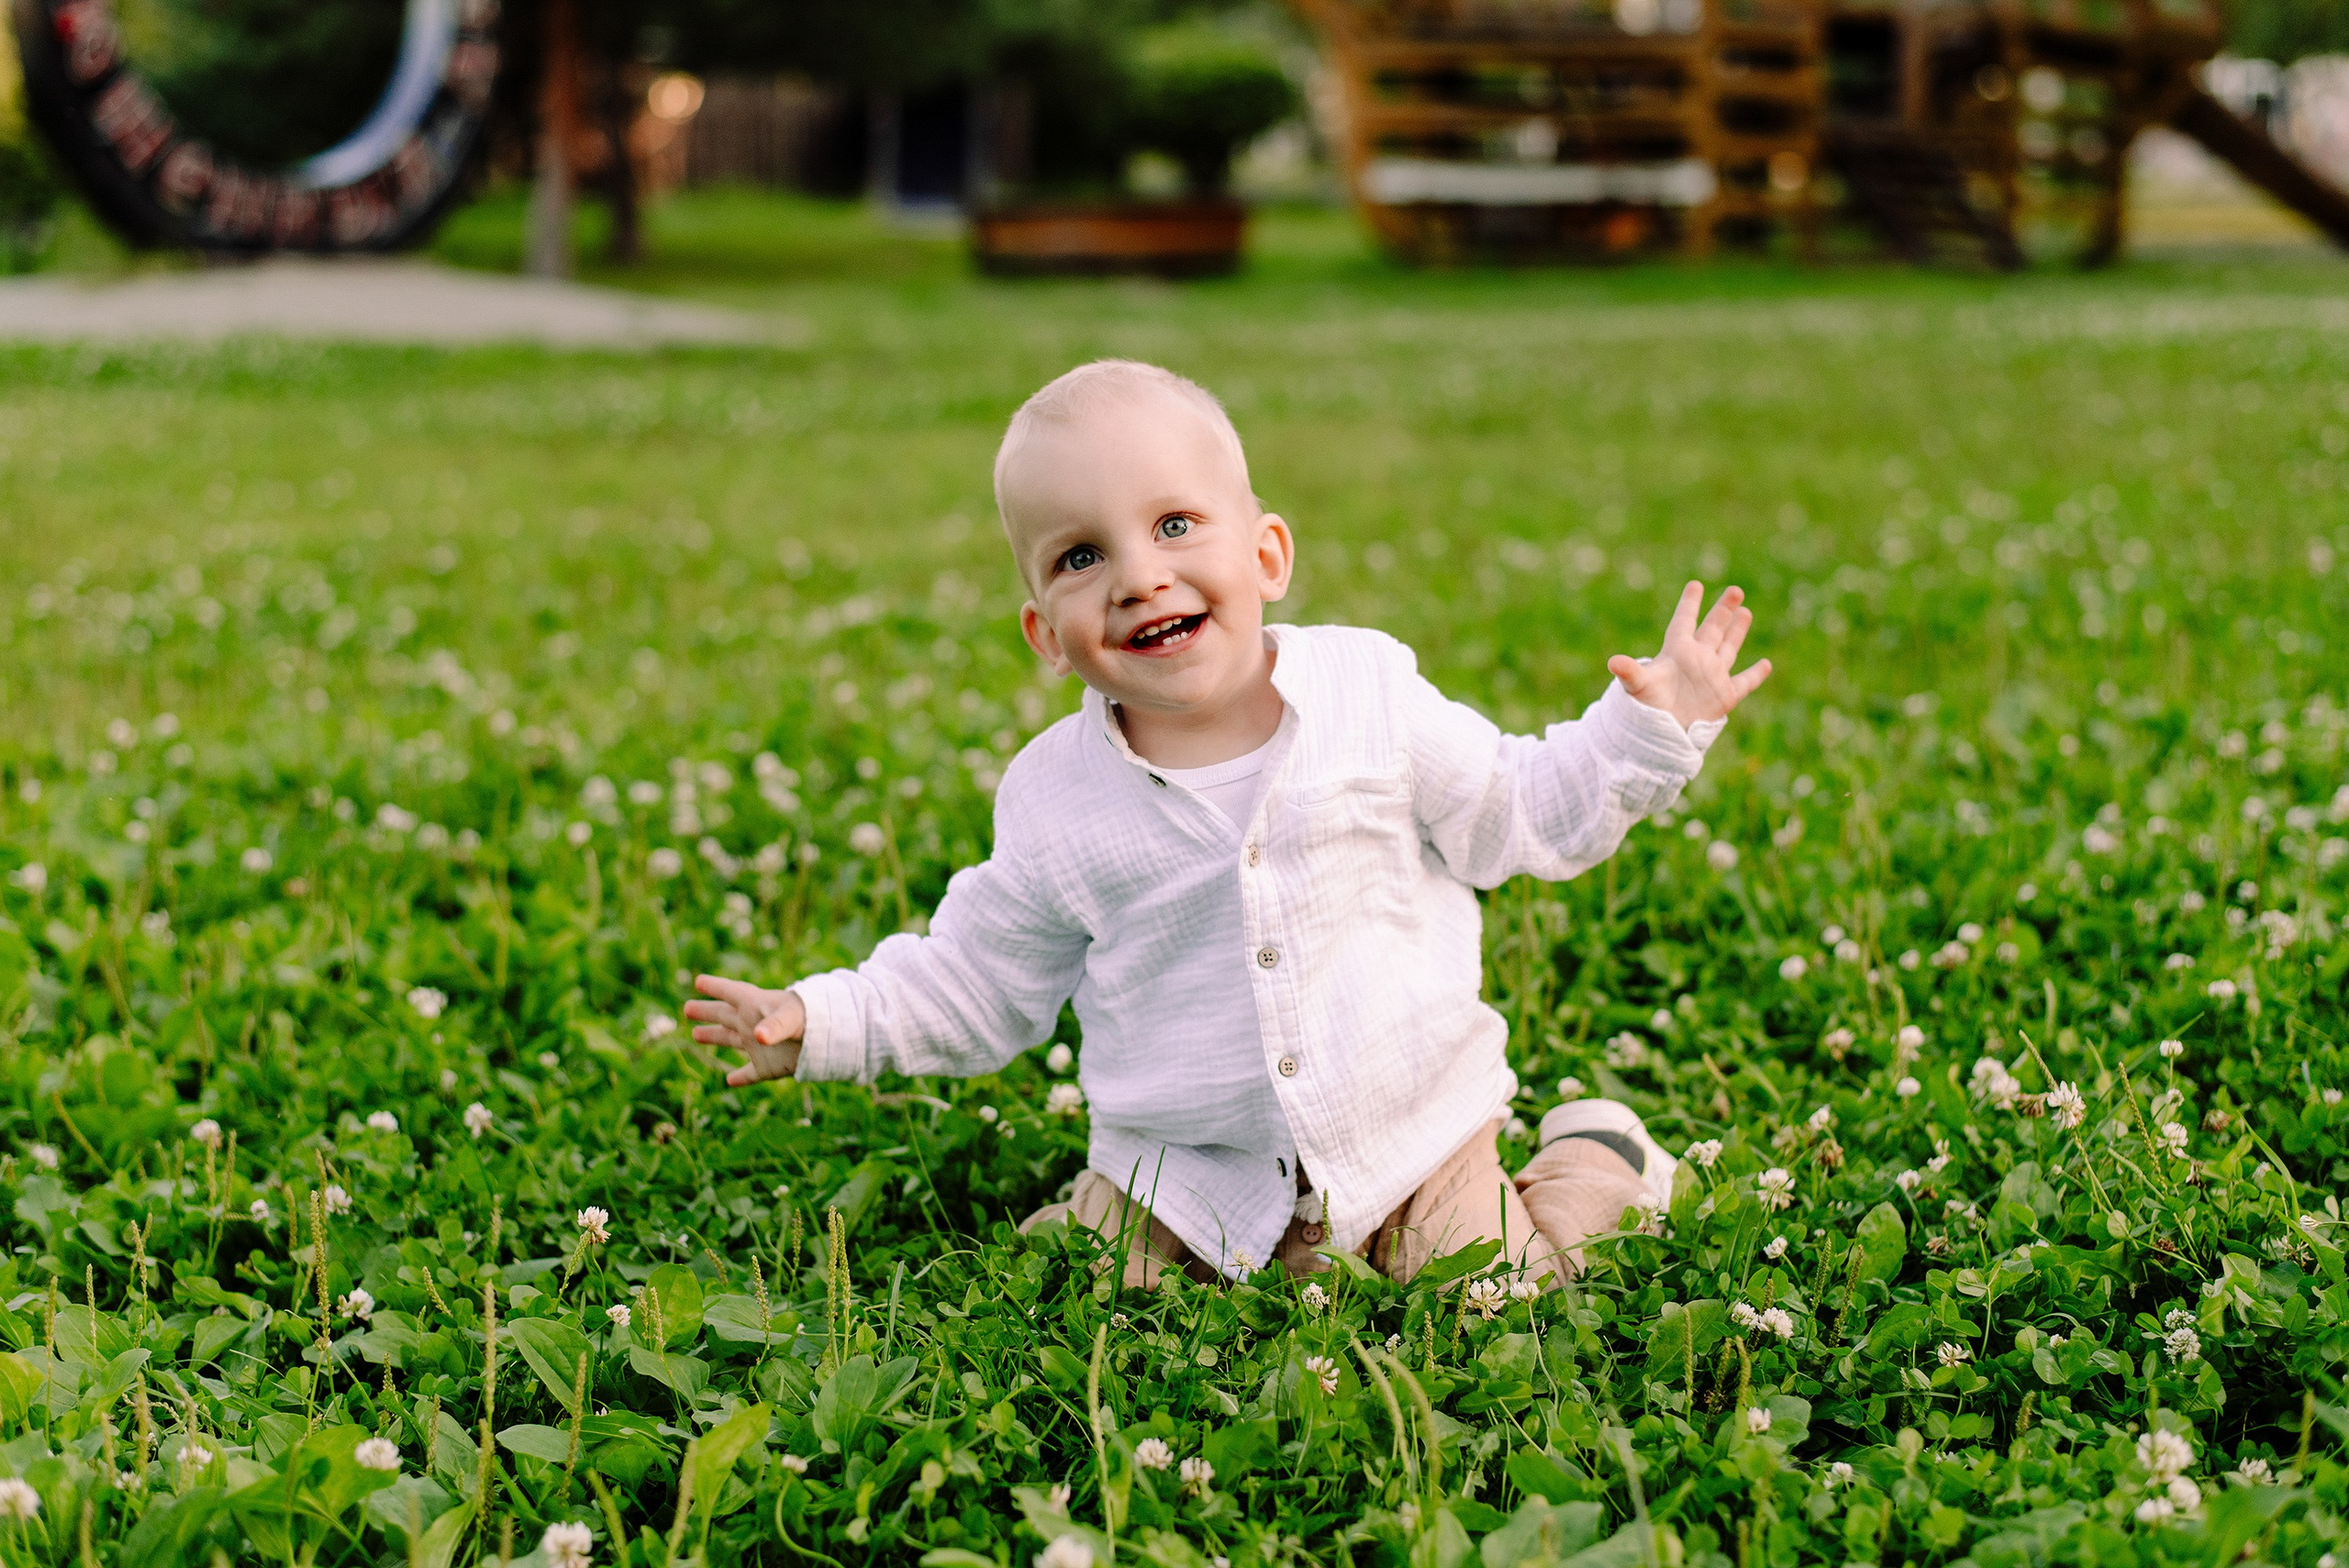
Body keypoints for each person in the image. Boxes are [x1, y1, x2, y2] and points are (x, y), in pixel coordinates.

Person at [685, 359, 1768, 1289]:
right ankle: (1137, 1228)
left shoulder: (1371, 695)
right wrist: (819, 1020)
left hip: (1409, 1139)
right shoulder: (1056, 797)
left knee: (1511, 1300)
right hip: (1182, 1169)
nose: (1138, 574)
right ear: (1044, 634)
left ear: (1265, 556)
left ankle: (1596, 1154)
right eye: (1080, 557)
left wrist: (1646, 726)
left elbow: (1519, 811)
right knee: (1069, 1289)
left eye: (1172, 524)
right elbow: (977, 979)